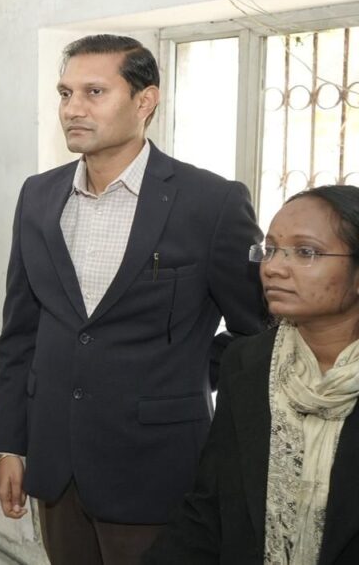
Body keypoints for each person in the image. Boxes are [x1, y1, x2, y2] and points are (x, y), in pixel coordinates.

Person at [0, 35, 268, 565]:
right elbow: (20, 333)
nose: (73, 108)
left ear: (145, 101)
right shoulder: (39, 195)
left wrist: (187, 369)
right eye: (65, 93)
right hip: (57, 465)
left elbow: (257, 331)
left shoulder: (210, 202)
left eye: (94, 92)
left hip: (156, 465)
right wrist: (10, 443)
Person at [146, 185, 359, 565]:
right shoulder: (248, 363)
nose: (273, 267)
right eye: (271, 249)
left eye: (306, 252)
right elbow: (209, 508)